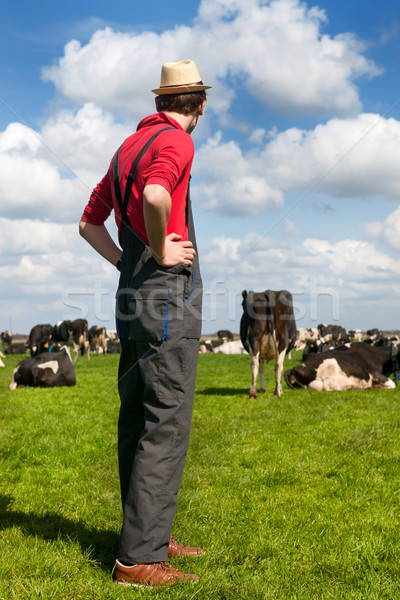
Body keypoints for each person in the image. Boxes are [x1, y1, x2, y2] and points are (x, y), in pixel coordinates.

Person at [79, 59, 211, 587]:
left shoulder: (126, 148)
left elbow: (89, 223)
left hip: (129, 299)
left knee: (136, 421)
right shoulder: (178, 144)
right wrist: (159, 248)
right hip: (164, 303)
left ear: (160, 102)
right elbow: (157, 195)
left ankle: (150, 534)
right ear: (198, 105)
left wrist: (123, 260)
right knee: (166, 424)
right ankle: (138, 561)